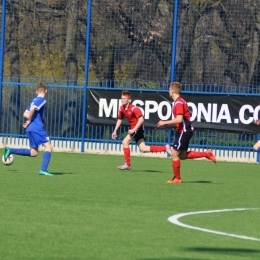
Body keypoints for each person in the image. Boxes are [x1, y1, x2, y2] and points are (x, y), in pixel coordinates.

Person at [156, 81, 216, 184]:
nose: (168, 92)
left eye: (169, 90)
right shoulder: (179, 102)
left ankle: (177, 178)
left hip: (184, 131)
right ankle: (206, 154)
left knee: (174, 153)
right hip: (184, 130)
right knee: (182, 155)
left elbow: (179, 119)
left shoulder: (179, 103)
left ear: (172, 91)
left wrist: (164, 122)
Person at [112, 90, 171, 170]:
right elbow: (119, 119)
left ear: (129, 100)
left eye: (124, 98)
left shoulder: (134, 108)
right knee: (143, 148)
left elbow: (141, 120)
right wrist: (115, 130)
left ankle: (127, 164)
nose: (122, 100)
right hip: (135, 129)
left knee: (125, 142)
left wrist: (133, 130)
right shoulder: (121, 108)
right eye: (121, 98)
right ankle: (165, 148)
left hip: (138, 128)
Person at [3, 83, 54, 176]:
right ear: (46, 91)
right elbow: (33, 110)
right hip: (36, 128)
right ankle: (43, 170)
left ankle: (10, 150)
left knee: (33, 152)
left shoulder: (34, 100)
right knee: (49, 147)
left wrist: (34, 120)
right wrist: (30, 120)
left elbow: (25, 113)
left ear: (36, 91)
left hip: (31, 128)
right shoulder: (42, 100)